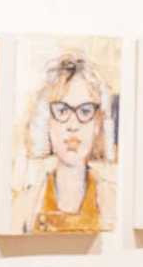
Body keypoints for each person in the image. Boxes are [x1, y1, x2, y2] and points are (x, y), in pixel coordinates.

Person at [11, 53, 117, 234]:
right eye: (62, 111)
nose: (73, 125)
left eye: (85, 111)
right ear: (48, 120)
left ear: (98, 123)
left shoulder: (113, 203)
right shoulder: (25, 207)